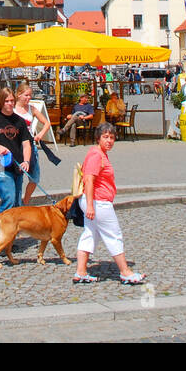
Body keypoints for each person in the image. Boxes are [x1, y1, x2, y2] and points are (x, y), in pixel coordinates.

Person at [73, 122, 145, 284]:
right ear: (98, 138)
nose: (109, 140)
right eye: (105, 137)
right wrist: (91, 205)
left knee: (90, 234)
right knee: (113, 234)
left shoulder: (100, 154)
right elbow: (89, 180)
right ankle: (125, 271)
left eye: (112, 137)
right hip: (99, 202)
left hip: (96, 201)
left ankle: (81, 271)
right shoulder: (96, 155)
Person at [14, 82, 51, 205]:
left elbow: (46, 123)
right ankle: (16, 203)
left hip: (30, 145)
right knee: (17, 178)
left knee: (34, 178)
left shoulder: (32, 109)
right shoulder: (12, 108)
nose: (29, 98)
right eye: (26, 95)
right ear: (19, 95)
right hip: (15, 147)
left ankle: (26, 200)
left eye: (30, 95)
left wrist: (40, 135)